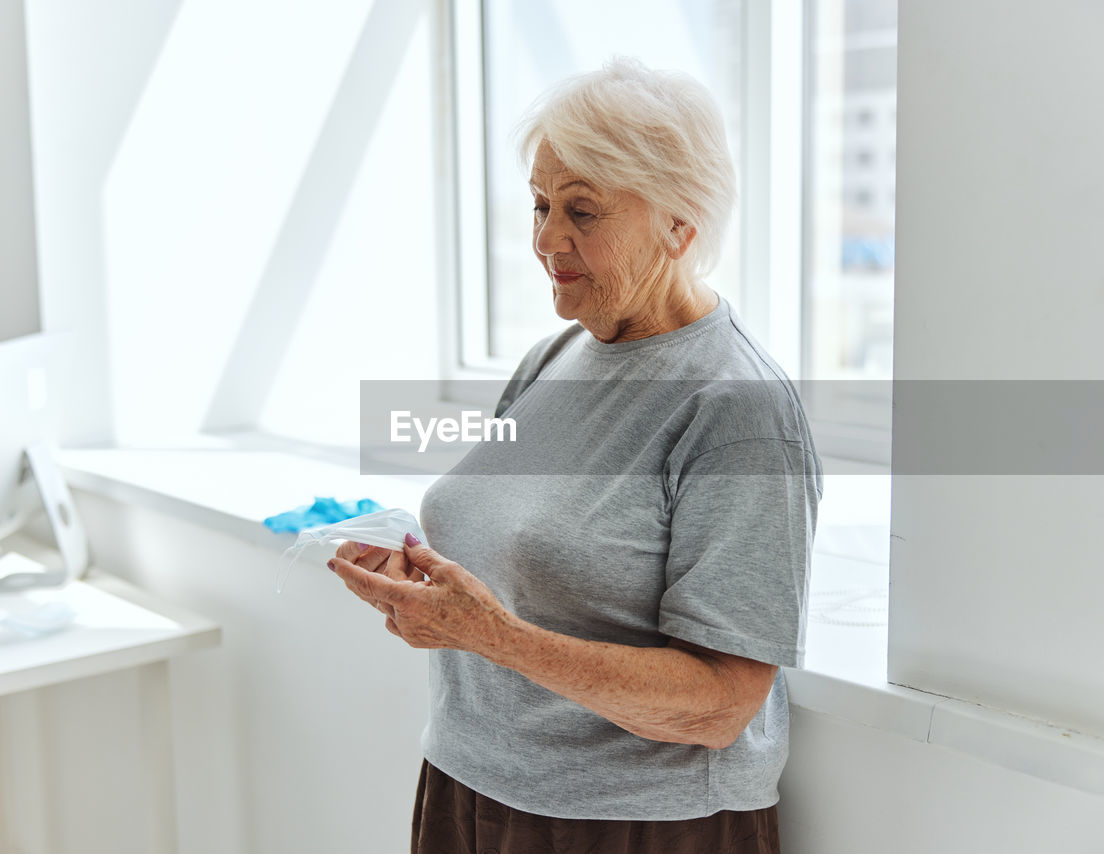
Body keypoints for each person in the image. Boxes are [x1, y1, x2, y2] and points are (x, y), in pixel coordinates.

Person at [330, 58, 821, 854]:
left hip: (631, 827)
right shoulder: (553, 357)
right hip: (470, 785)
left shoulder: (739, 411)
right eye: (539, 205)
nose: (545, 238)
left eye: (582, 212)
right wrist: (424, 585)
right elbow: (515, 568)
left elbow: (721, 704)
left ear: (679, 224)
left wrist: (487, 633)